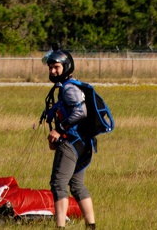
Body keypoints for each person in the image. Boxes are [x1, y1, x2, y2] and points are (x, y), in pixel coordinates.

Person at [42, 49, 96, 229]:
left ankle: (60, 226)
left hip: (71, 142)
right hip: (83, 143)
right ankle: (91, 226)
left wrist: (58, 130)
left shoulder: (68, 88)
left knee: (58, 183)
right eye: (50, 68)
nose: (53, 71)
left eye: (56, 67)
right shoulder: (72, 86)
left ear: (66, 67)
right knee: (76, 184)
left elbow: (80, 112)